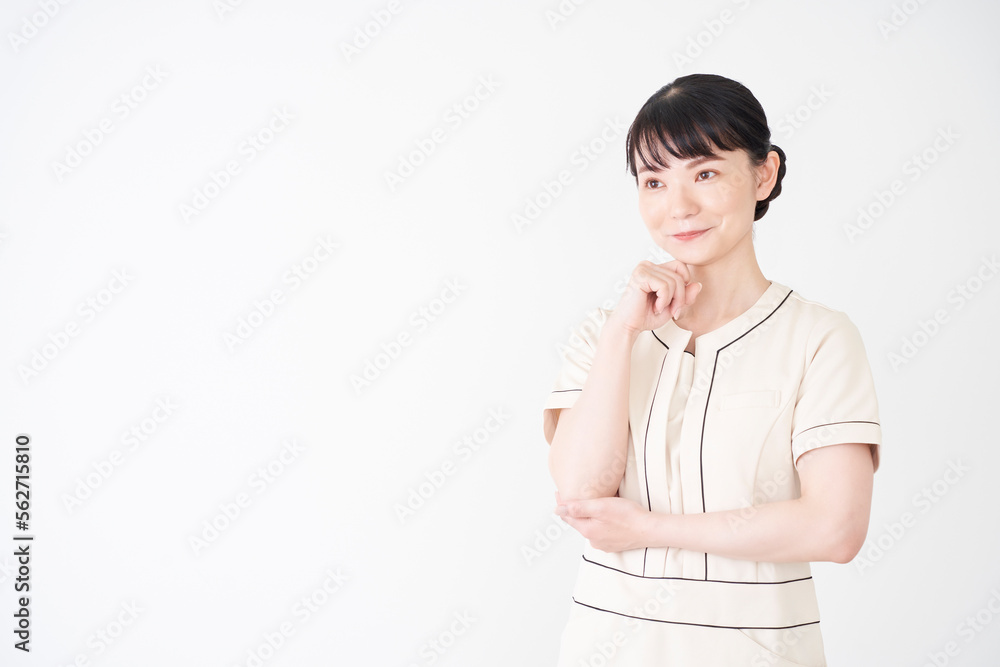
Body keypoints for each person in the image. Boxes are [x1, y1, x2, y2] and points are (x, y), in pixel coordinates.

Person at [541, 73, 882, 666]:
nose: (679, 207)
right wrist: (621, 335)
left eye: (704, 173)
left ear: (763, 174)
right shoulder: (606, 333)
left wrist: (648, 529)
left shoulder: (819, 338)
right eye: (654, 181)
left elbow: (835, 529)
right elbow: (579, 493)